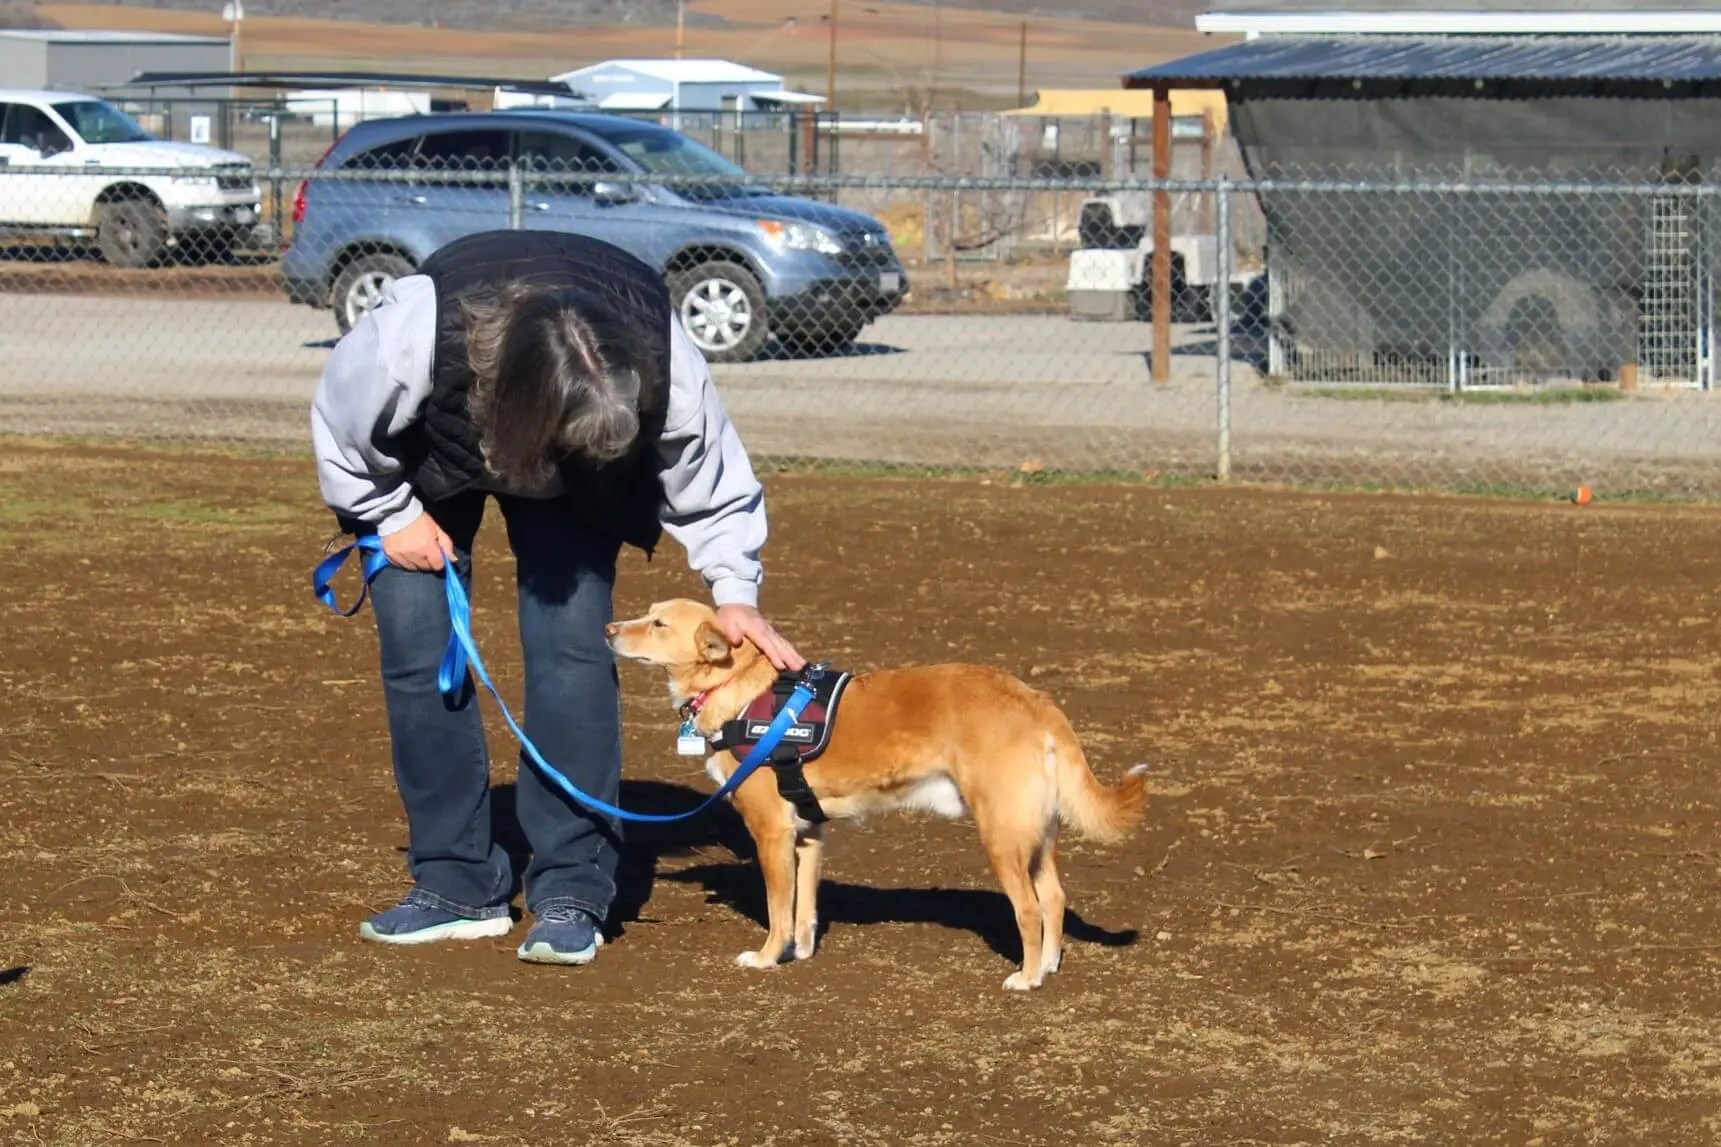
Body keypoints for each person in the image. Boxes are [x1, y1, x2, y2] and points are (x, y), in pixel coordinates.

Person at [310, 229, 803, 966]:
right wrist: (392, 517)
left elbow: (709, 477)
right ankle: (454, 883)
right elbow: (340, 426)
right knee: (419, 652)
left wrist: (734, 590)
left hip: (581, 475)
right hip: (422, 468)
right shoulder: (415, 331)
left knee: (572, 648)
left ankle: (572, 885)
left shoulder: (666, 355)